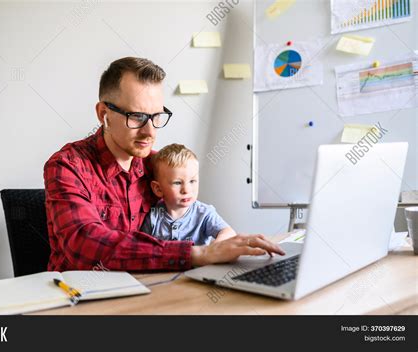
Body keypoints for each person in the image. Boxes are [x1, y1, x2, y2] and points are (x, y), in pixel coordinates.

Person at [44, 56, 285, 272]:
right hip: (79, 301)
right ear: (103, 114)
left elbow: (193, 212)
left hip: (149, 289)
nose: (150, 132)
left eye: (156, 116)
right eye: (137, 116)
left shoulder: (159, 166)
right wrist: (198, 253)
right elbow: (85, 245)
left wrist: (225, 244)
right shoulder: (67, 166)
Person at [141, 143, 236, 245]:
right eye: (177, 183)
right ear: (158, 189)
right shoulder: (153, 217)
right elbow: (141, 248)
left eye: (192, 181)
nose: (186, 190)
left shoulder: (204, 214)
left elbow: (229, 233)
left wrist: (215, 247)